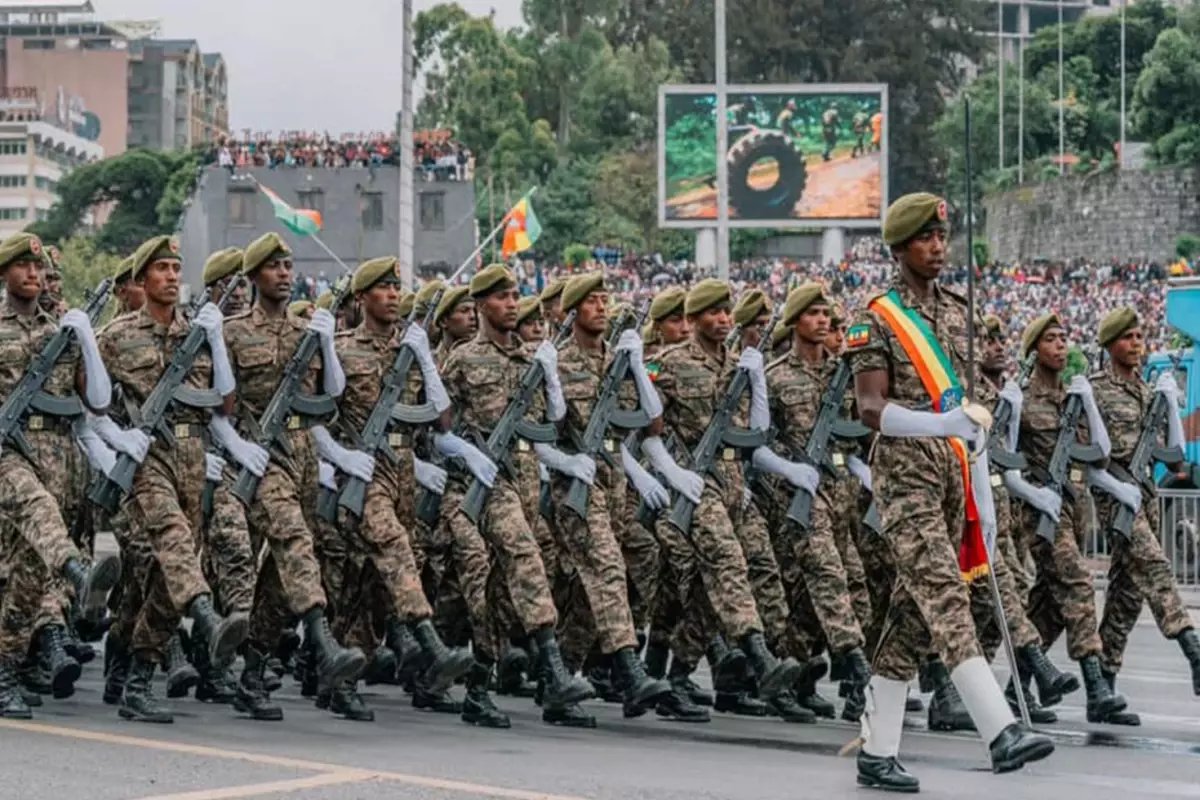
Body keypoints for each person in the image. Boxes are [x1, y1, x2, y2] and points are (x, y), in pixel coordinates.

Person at [848, 193, 1052, 791]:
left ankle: (877, 750)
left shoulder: (958, 312)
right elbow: (870, 409)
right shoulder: (878, 317)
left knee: (911, 620)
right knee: (944, 596)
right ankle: (1001, 730)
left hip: (953, 476)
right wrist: (942, 425)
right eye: (925, 239)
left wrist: (982, 499)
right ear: (899, 248)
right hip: (905, 478)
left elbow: (972, 413)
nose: (938, 248)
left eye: (942, 238)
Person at [97, 235, 249, 723]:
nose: (169, 275)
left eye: (175, 267)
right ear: (141, 280)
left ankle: (138, 677)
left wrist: (216, 338)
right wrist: (116, 442)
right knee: (175, 542)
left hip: (193, 457)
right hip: (147, 459)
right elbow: (89, 400)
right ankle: (205, 619)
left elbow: (225, 403)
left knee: (167, 578)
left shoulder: (198, 330)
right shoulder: (118, 336)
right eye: (160, 268)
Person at [218, 232, 366, 721]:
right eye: (274, 267)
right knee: (295, 540)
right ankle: (323, 644)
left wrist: (324, 338)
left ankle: (253, 673)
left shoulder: (309, 329)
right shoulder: (235, 332)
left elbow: (332, 395)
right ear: (255, 276)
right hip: (262, 456)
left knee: (280, 576)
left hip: (304, 453)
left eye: (288, 266)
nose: (284, 273)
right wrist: (237, 446)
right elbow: (222, 403)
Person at [440, 264, 596, 724]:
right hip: (486, 484)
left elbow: (553, 419)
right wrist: (470, 456)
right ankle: (553, 668)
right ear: (480, 305)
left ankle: (478, 688)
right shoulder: (464, 359)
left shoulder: (532, 357)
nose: (512, 303)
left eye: (515, 295)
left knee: (504, 591)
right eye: (502, 297)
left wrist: (548, 373)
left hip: (527, 477)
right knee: (526, 557)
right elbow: (438, 430)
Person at [643, 279, 804, 709]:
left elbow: (756, 433)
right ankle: (759, 657)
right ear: (693, 319)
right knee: (727, 564)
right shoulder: (668, 364)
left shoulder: (738, 365)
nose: (721, 319)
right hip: (696, 486)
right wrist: (673, 474)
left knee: (753, 571)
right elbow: (647, 432)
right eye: (711, 312)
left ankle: (679, 675)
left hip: (734, 484)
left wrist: (757, 380)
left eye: (725, 311)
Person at [0, 233, 121, 718]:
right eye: (23, 266)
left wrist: (87, 339)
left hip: (54, 453)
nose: (34, 274)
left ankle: (7, 667)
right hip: (7, 453)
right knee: (38, 509)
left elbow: (97, 400)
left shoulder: (62, 331)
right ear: (5, 274)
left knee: (26, 574)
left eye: (39, 267)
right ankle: (79, 572)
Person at [1014, 312, 1128, 723]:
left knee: (1048, 606)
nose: (1061, 346)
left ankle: (1015, 691)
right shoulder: (1022, 399)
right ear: (1034, 350)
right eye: (1051, 340)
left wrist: (1090, 402)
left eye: (1064, 339)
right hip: (1041, 516)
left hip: (1075, 512)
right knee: (1078, 584)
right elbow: (1005, 461)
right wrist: (1032, 493)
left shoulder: (1073, 398)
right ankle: (1096, 687)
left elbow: (1100, 452)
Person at [1089, 307, 1200, 707]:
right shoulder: (1095, 390)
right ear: (1110, 345)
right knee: (1154, 567)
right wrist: (1117, 488)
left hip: (1146, 495)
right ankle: (1193, 647)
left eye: (1139, 337)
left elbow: (1174, 457)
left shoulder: (1147, 392)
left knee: (1127, 593)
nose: (1137, 345)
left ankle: (1103, 686)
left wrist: (1170, 404)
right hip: (1114, 500)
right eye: (1128, 338)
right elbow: (1089, 458)